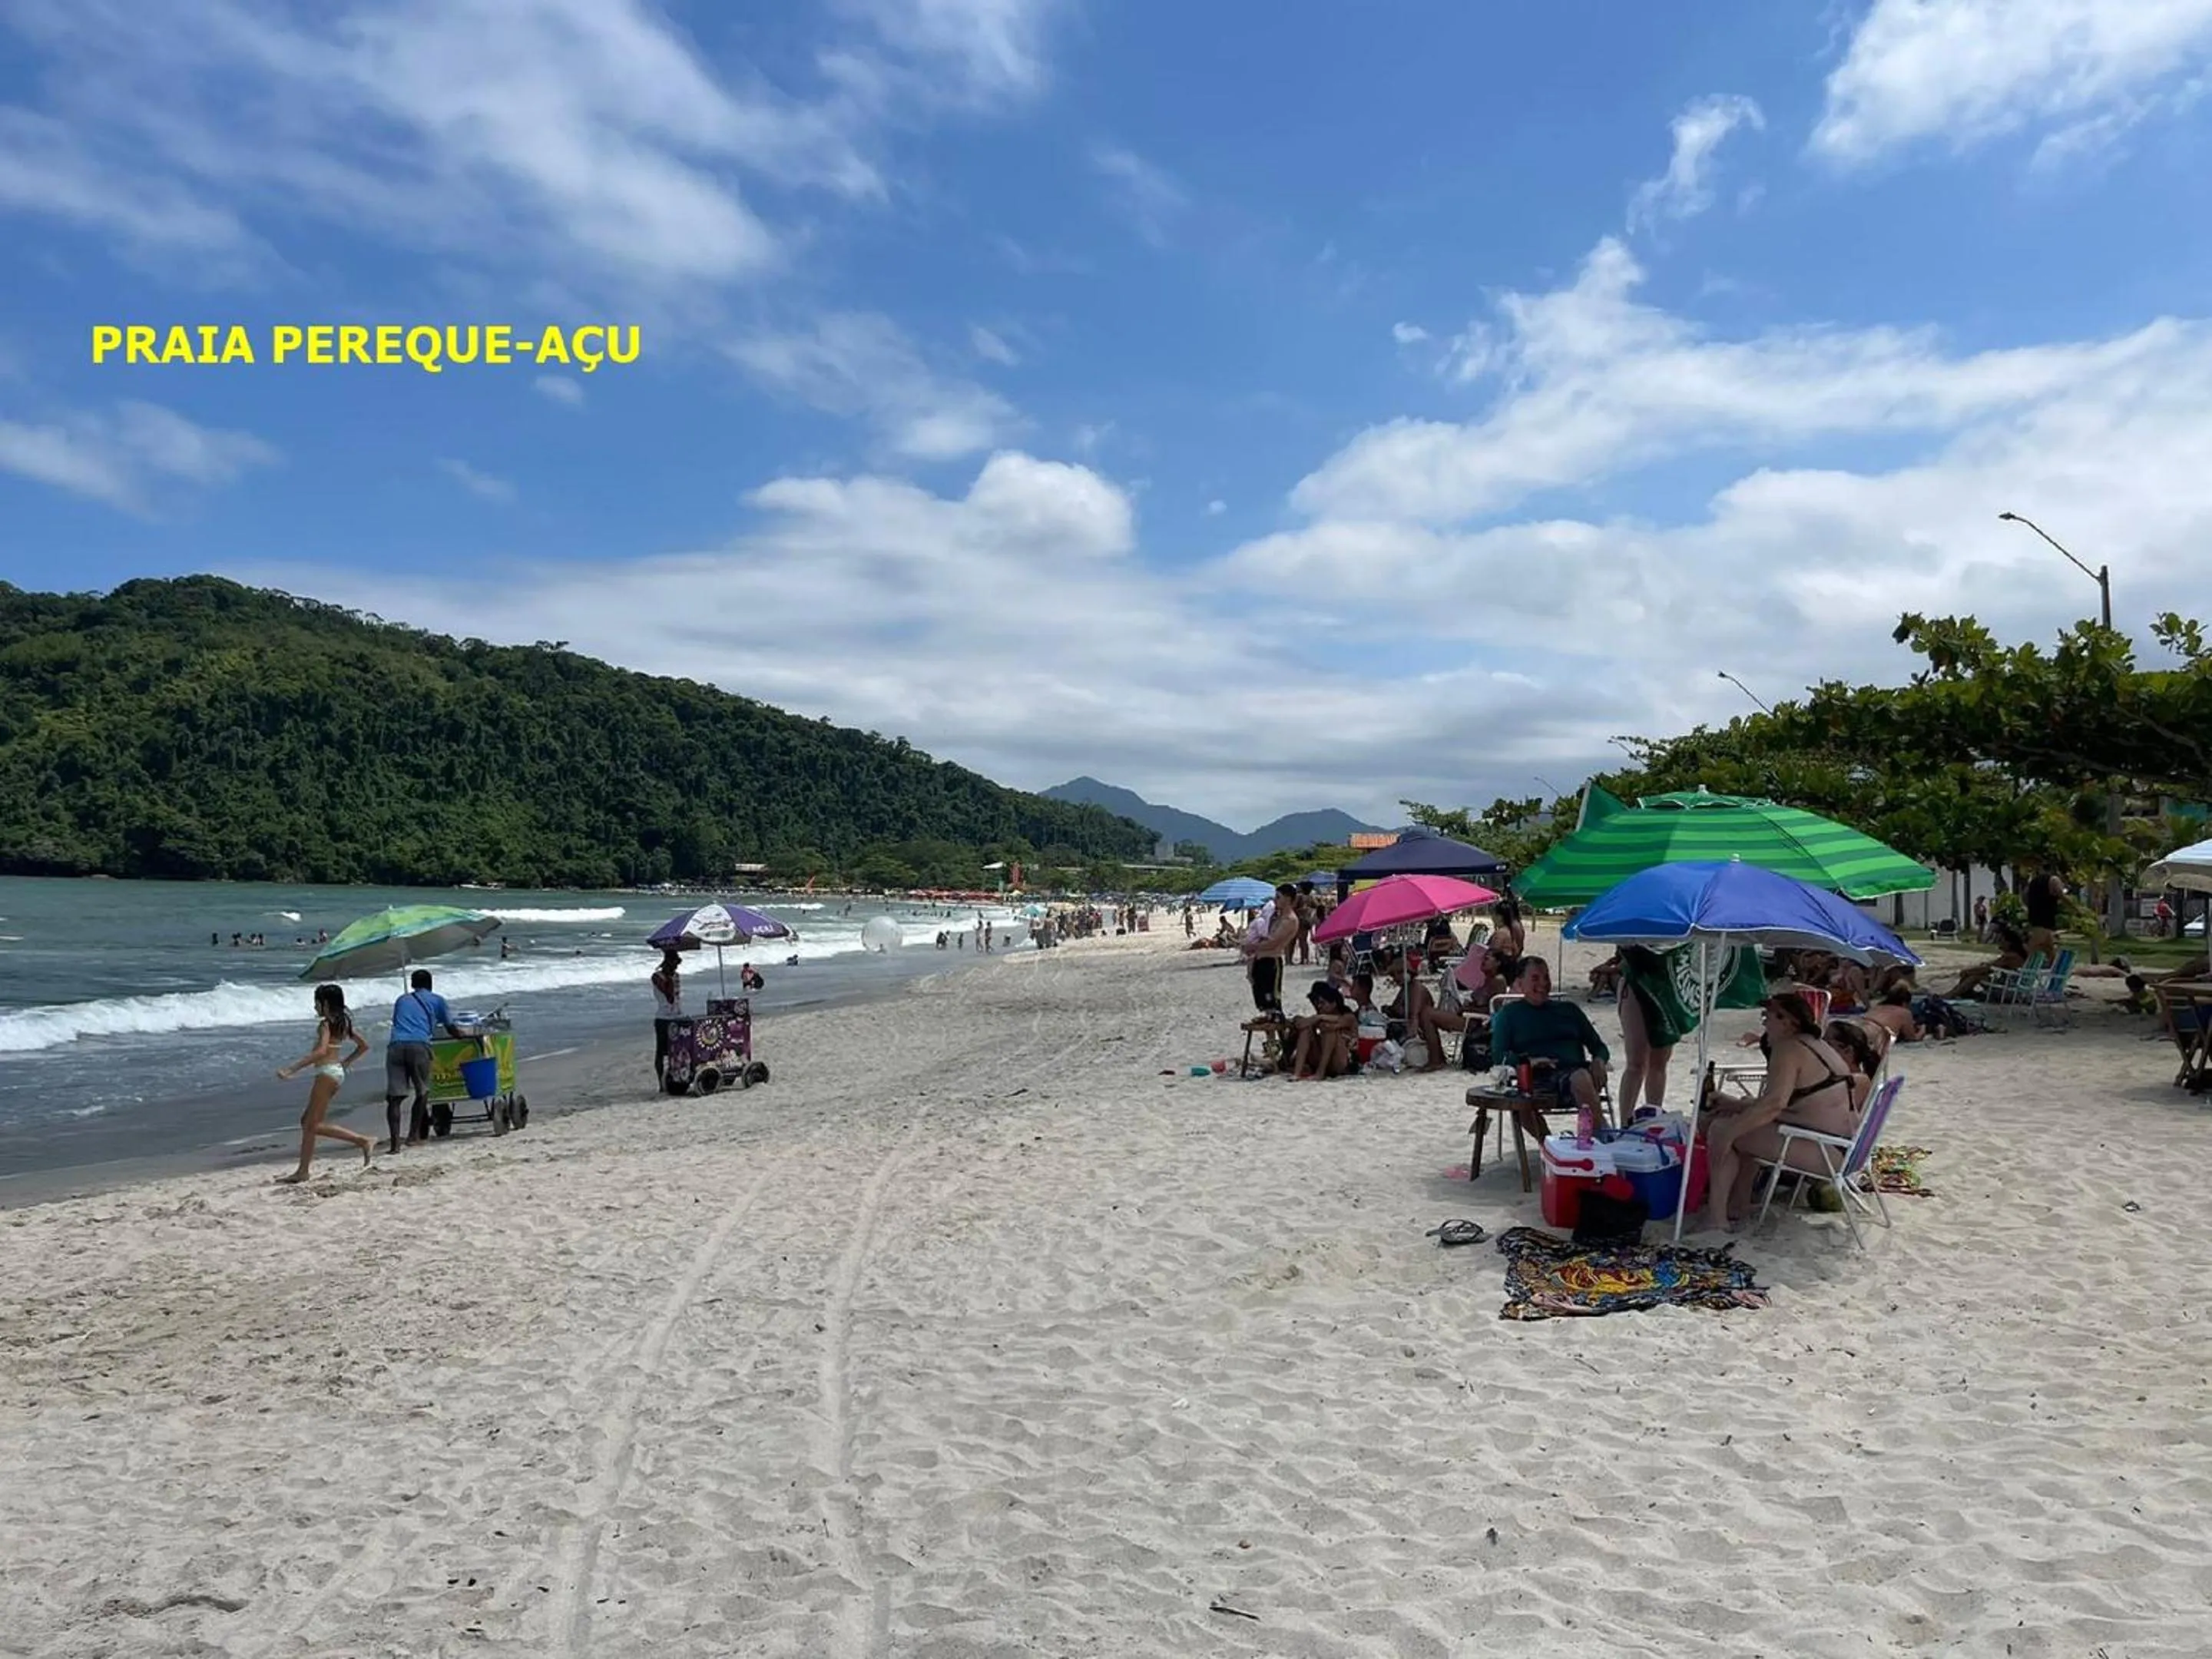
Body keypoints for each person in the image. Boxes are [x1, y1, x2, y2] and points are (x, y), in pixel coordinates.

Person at [1697, 992, 1858, 1233]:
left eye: (1767, 1017)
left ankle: (1717, 1219)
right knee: (1742, 1124)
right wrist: (1733, 1105)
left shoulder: (1788, 1049)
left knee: (1722, 1129)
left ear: (1787, 1022)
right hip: (1840, 1147)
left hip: (1825, 1152)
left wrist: (1729, 1132)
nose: (1763, 1023)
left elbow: (1774, 1105)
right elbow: (1794, 1108)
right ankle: (1739, 1204)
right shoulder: (1816, 1045)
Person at [1488, 957, 1610, 1122]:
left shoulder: (1569, 1010)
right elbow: (1498, 1055)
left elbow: (1599, 1046)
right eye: (1535, 978)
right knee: (1520, 1100)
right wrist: (1529, 1062)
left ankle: (1602, 1137)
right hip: (1534, 1077)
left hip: (1572, 1074)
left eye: (1546, 977)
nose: (1543, 984)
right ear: (1520, 983)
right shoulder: (1509, 1015)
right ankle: (1546, 1144)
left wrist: (1599, 1060)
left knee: (1581, 1077)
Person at [275, 984, 374, 1182]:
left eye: (317, 1003)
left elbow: (321, 1052)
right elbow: (364, 1046)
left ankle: (363, 1140)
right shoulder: (343, 1023)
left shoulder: (326, 1025)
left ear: (325, 1004)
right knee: (307, 1122)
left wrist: (292, 1069)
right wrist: (345, 1063)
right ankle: (303, 1170)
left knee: (314, 1125)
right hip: (334, 1072)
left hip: (327, 1074)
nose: (315, 1008)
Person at [386, 969, 463, 1151]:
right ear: (430, 984)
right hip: (419, 1046)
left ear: (413, 985)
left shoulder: (401, 1000)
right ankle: (413, 1137)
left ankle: (395, 1145)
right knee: (422, 1092)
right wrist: (465, 1035)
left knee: (394, 1098)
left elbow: (401, 1021)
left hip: (395, 1047)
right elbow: (450, 1027)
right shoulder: (437, 1000)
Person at [1377, 948, 1466, 1071]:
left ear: (1408, 972)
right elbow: (1398, 1010)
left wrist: (1409, 1036)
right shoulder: (1406, 990)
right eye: (1393, 975)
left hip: (1420, 1032)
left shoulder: (1416, 989)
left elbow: (1415, 1014)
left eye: (1399, 973)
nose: (1396, 978)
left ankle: (1436, 1060)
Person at [1240, 884, 1301, 1017]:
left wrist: (1252, 947)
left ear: (1288, 899)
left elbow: (1273, 942)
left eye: (1279, 897)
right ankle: (1271, 1035)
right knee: (1263, 1003)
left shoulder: (1289, 920)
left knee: (1272, 1002)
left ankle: (1277, 1034)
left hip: (1271, 960)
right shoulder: (1277, 916)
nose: (1275, 900)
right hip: (1261, 959)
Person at [1286, 981, 1359, 1078]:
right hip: (1324, 1059)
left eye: (1322, 1003)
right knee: (1306, 1029)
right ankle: (1297, 1073)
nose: (1319, 1006)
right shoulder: (1321, 1017)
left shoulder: (1348, 1017)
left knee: (1329, 1029)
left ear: (1333, 1004)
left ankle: (1320, 1072)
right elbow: (1301, 1023)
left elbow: (1339, 1020)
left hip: (1341, 1062)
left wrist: (1318, 1018)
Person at [652, 949, 684, 1087]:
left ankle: (673, 1077)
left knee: (675, 1050)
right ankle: (661, 1083)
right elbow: (669, 997)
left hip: (676, 1016)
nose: (676, 967)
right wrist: (669, 978)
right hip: (663, 1018)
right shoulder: (657, 977)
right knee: (661, 1051)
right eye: (674, 964)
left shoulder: (676, 976)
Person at [2023, 871, 2065, 962]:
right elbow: (2061, 894)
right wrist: (2076, 909)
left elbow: (2025, 897)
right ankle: (2030, 971)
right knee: (2039, 949)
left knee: (2046, 949)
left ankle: (2053, 971)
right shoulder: (2054, 880)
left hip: (2037, 920)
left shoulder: (2033, 883)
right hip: (2045, 920)